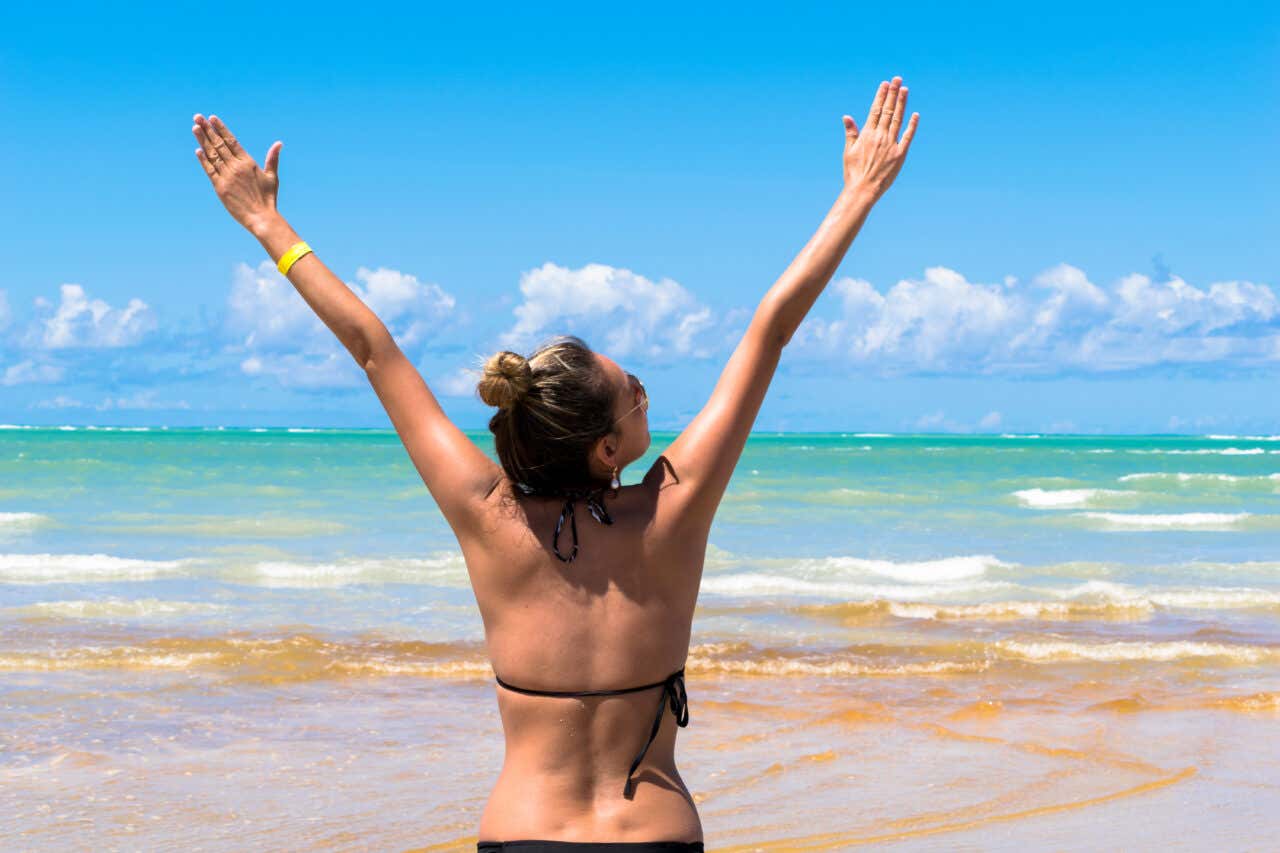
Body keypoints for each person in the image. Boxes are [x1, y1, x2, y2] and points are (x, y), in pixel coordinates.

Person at [191, 75, 918, 852]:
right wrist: (858, 194)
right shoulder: (671, 510)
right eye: (630, 392)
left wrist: (268, 224)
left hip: (523, 835)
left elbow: (375, 352)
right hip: (657, 836)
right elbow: (769, 331)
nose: (643, 387)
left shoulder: (487, 515)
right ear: (607, 448)